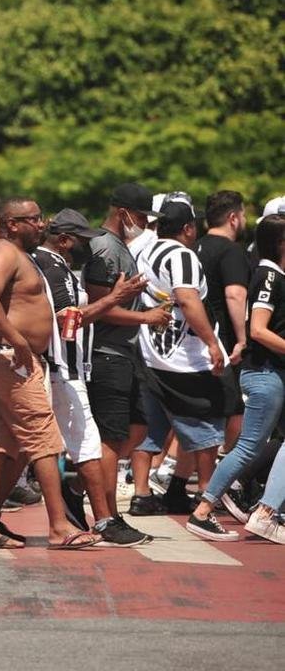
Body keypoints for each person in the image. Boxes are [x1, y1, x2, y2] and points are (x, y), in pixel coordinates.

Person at [0, 198, 100, 550]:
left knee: (8, 447)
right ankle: (58, 526)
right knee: (44, 438)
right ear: (12, 223)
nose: (42, 225)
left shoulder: (24, 257)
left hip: (18, 356)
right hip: (11, 357)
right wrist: (20, 342)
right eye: (34, 219)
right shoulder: (4, 252)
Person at [34, 210, 151, 547]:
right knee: (86, 445)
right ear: (65, 240)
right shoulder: (51, 267)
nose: (89, 247)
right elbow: (67, 319)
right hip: (61, 368)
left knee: (23, 450)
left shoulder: (56, 265)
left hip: (69, 367)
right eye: (83, 240)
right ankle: (104, 520)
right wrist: (114, 298)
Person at [130, 200, 229, 532]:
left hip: (150, 353)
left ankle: (141, 494)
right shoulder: (182, 255)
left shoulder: (147, 252)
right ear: (188, 228)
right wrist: (212, 343)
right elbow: (187, 300)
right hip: (183, 359)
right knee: (207, 428)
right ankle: (205, 500)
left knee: (151, 426)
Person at [190, 214, 285, 543]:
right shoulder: (270, 276)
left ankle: (268, 510)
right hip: (265, 374)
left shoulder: (273, 274)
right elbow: (259, 329)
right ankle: (207, 510)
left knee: (257, 445)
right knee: (247, 447)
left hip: (270, 374)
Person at [82, 183, 172, 519]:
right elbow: (99, 306)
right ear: (123, 213)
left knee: (138, 428)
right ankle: (107, 516)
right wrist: (146, 317)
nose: (147, 224)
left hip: (125, 353)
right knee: (111, 436)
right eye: (142, 216)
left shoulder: (121, 246)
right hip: (107, 353)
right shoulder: (105, 247)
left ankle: (80, 488)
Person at [198, 191, 251, 454]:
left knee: (200, 411)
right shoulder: (232, 251)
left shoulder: (195, 247)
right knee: (235, 411)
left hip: (195, 341)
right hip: (224, 343)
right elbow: (235, 293)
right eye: (243, 215)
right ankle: (223, 462)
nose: (244, 220)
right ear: (233, 218)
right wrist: (243, 339)